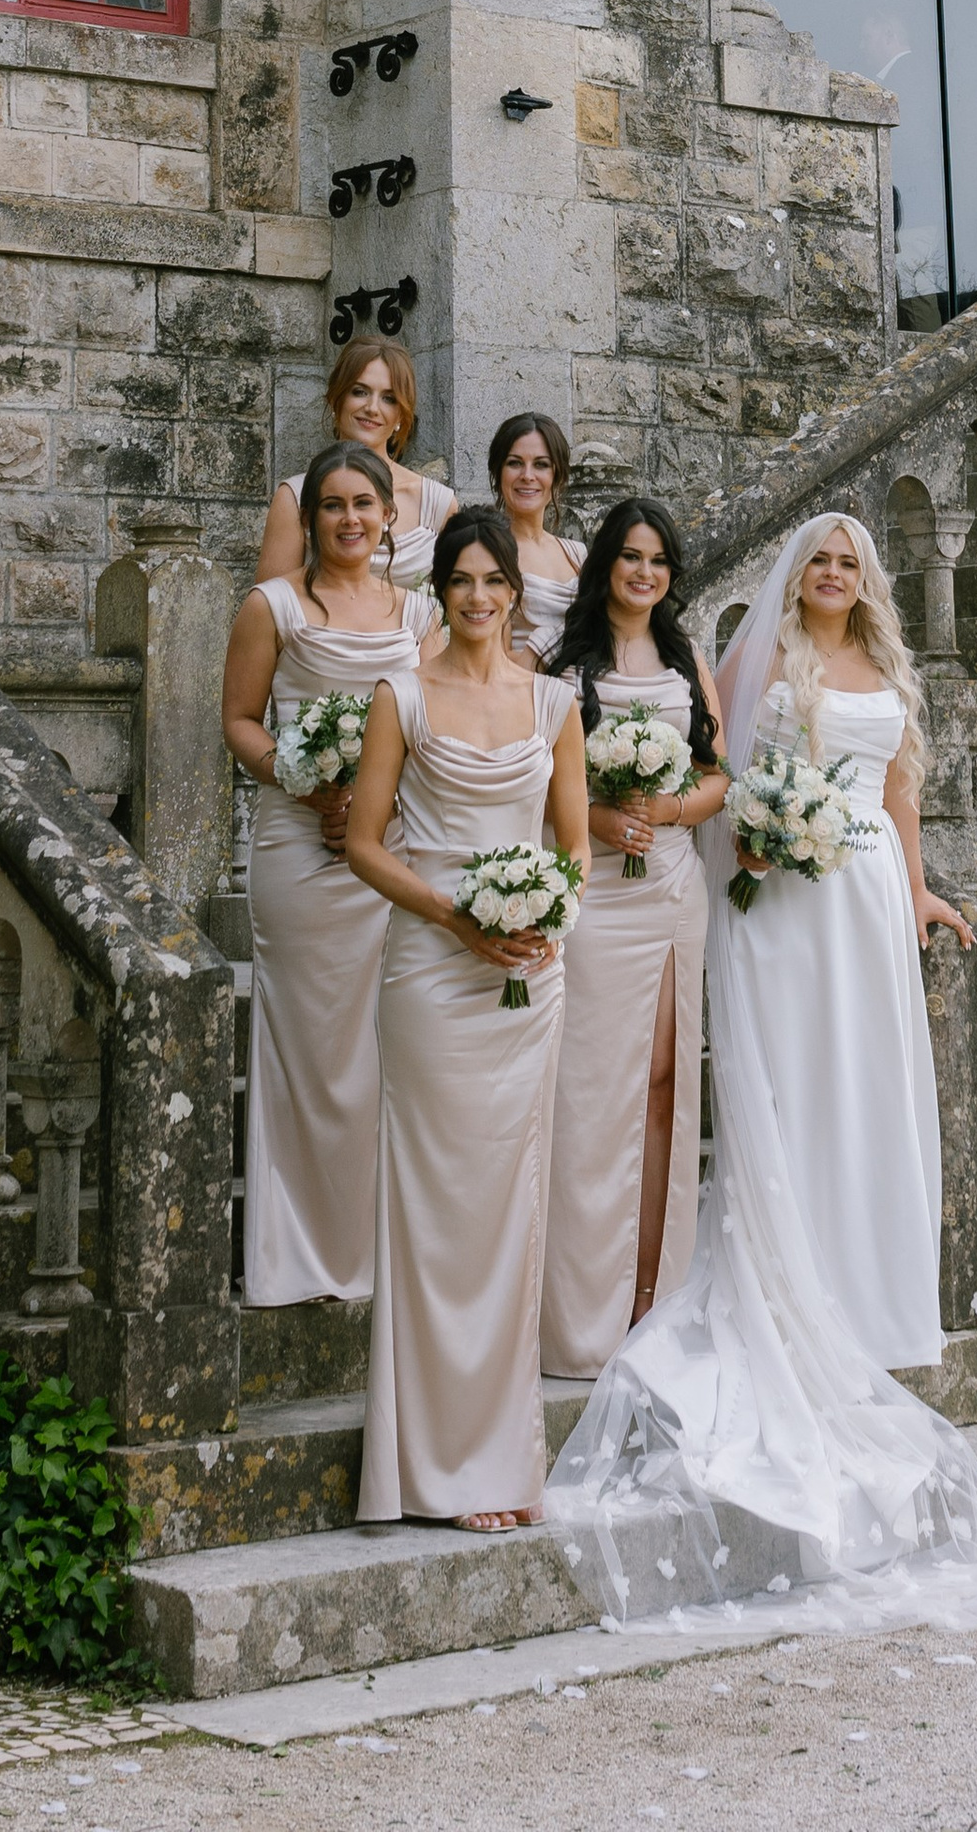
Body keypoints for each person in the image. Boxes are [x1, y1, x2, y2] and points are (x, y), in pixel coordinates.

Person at [546, 512, 977, 1636]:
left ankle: (866, 1291)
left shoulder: (885, 666)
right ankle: (790, 1289)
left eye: (850, 562)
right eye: (820, 563)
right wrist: (755, 839)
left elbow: (896, 799)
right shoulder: (761, 655)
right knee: (790, 1100)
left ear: (866, 578)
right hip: (784, 905)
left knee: (865, 1101)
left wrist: (923, 891)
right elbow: (729, 779)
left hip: (865, 911)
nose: (835, 575)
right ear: (797, 578)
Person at [344, 504, 589, 1531]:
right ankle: (431, 1467)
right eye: (463, 582)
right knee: (435, 1208)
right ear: (439, 592)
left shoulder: (553, 705)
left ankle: (498, 1461)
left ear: (514, 594)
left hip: (524, 977)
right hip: (429, 971)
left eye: (496, 582)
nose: (482, 598)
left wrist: (537, 920)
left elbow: (572, 851)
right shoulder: (400, 695)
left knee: (508, 1209)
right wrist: (453, 913)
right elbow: (364, 843)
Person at [220, 444, 434, 1307]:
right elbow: (239, 721)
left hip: (390, 853)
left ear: (390, 517)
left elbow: (439, 724)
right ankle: (298, 1254)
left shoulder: (422, 617)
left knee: (386, 1048)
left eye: (364, 505)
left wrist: (379, 801)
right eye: (333, 506)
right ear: (309, 520)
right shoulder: (272, 606)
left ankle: (378, 1252)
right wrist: (306, 783)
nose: (350, 520)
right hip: (299, 852)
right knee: (309, 1046)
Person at [539, 498, 727, 1377]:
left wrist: (672, 809)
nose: (644, 573)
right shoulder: (566, 665)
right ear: (605, 566)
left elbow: (717, 775)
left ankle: (656, 1293)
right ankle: (584, 1305)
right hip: (599, 896)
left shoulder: (687, 659)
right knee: (590, 1094)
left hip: (673, 886)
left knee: (663, 1084)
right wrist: (604, 820)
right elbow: (538, 778)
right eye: (629, 558)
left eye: (658, 561)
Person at [256, 340, 455, 589]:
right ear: (336, 399)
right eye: (359, 391)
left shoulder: (437, 504)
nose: (372, 408)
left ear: (401, 416)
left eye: (389, 398)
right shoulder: (294, 498)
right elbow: (270, 610)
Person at [489, 408, 582, 659]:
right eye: (515, 463)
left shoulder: (577, 553)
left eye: (540, 465)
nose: (527, 476)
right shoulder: (491, 551)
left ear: (557, 475)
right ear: (498, 473)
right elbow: (494, 662)